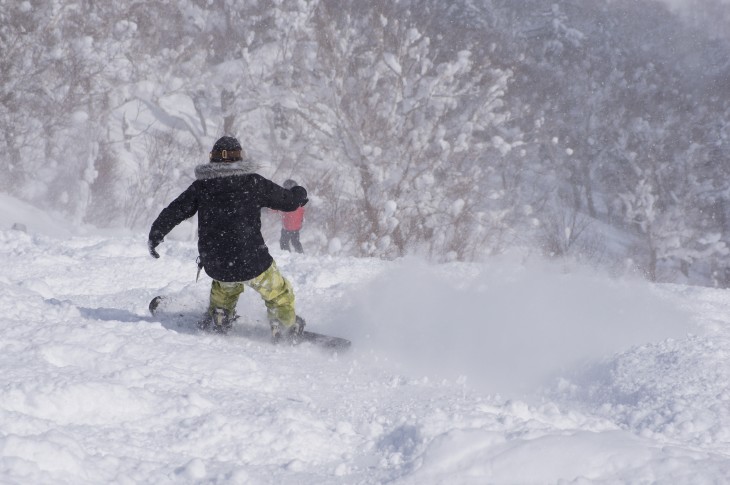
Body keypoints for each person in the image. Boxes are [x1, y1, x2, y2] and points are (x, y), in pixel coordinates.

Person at [147, 136, 309, 342]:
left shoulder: (201, 187)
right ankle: (284, 325)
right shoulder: (253, 182)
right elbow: (289, 202)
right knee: (277, 292)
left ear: (212, 159)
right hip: (253, 260)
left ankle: (221, 315)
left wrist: (156, 232)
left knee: (224, 287)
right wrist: (299, 193)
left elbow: (175, 211)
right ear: (239, 158)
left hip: (217, 262)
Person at [279, 179, 305, 253]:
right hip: (296, 227)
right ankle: (300, 254)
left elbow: (277, 207)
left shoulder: (287, 200)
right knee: (295, 242)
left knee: (283, 242)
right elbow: (302, 211)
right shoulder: (299, 199)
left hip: (287, 226)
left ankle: (285, 255)